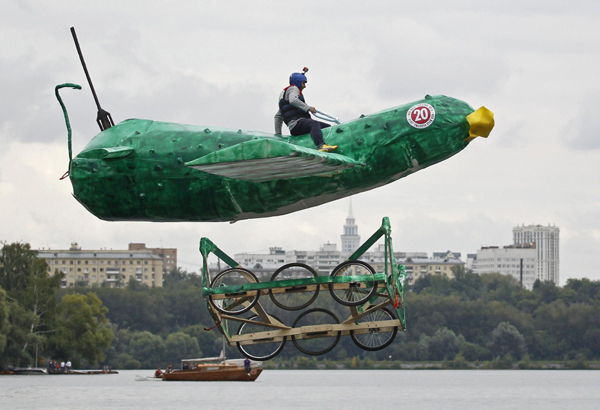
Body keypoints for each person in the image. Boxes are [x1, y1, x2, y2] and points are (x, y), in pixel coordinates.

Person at [275, 68, 338, 152]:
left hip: (297, 127)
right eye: (303, 83)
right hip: (296, 125)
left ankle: (329, 146)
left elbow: (278, 116)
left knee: (327, 127)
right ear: (297, 82)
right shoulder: (293, 89)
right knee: (314, 124)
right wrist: (308, 108)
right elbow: (293, 100)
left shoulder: (284, 98)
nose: (305, 86)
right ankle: (321, 146)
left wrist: (278, 135)